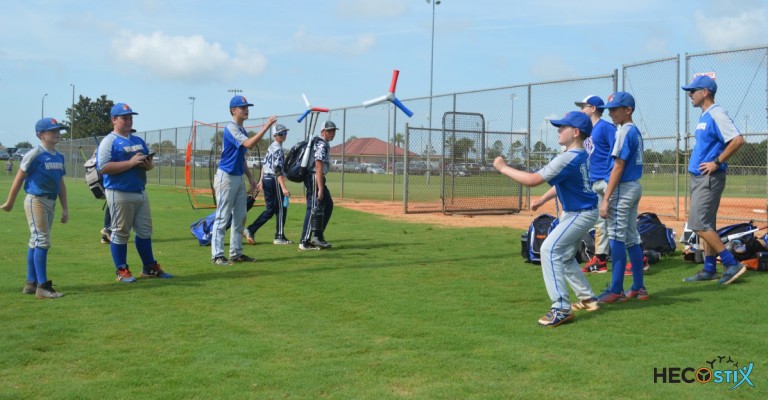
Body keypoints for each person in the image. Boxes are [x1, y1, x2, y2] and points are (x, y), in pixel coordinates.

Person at [494, 111, 599, 327]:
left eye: (563, 127)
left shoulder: (568, 157)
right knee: (566, 256)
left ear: (576, 132)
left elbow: (533, 179)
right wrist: (542, 200)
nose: (559, 131)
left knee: (549, 250)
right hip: (582, 211)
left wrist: (503, 168)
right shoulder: (579, 156)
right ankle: (588, 298)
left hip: (579, 213)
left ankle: (560, 307)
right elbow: (561, 184)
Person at [681, 75, 747, 285]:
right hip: (700, 177)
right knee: (706, 224)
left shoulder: (717, 113)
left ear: (705, 92)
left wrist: (716, 162)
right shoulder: (705, 115)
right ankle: (709, 268)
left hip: (709, 177)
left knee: (698, 224)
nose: (690, 94)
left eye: (693, 91)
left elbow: (737, 140)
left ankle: (731, 264)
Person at [97, 103, 171, 282]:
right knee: (121, 232)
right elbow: (103, 167)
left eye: (130, 117)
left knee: (145, 231)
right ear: (114, 120)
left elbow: (149, 163)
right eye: (124, 117)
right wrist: (130, 163)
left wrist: (148, 165)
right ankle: (121, 270)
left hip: (139, 190)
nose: (129, 120)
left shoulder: (137, 140)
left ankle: (149, 267)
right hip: (119, 191)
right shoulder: (109, 141)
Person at [1, 118, 69, 299]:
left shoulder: (59, 156)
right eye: (52, 130)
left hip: (51, 201)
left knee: (36, 241)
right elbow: (19, 178)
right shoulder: (34, 154)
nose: (57, 133)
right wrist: (9, 203)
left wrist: (65, 208)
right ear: (41, 135)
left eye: (58, 130)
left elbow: (60, 183)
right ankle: (42, 287)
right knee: (42, 241)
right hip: (36, 200)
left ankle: (31, 283)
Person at [210, 95, 276, 265]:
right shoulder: (231, 128)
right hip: (226, 177)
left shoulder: (241, 130)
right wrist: (267, 126)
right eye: (242, 107)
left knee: (240, 217)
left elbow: (241, 158)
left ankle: (236, 253)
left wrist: (250, 178)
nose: (246, 109)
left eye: (247, 106)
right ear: (233, 110)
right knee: (223, 217)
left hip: (237, 177)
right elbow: (249, 145)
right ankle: (217, 255)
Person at [595, 92, 647, 303]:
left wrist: (606, 198)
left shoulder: (624, 131)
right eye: (609, 109)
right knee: (631, 238)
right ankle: (638, 287)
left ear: (628, 110)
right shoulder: (634, 131)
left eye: (615, 109)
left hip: (622, 189)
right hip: (633, 186)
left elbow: (618, 166)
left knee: (616, 238)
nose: (611, 113)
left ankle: (616, 290)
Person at [575, 95, 616, 274]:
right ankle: (600, 260)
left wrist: (610, 177)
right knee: (600, 223)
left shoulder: (606, 128)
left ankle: (640, 257)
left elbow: (617, 153)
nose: (581, 110)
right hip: (593, 181)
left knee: (617, 221)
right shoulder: (586, 130)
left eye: (583, 107)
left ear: (593, 108)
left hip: (607, 181)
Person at [245, 123, 292, 245]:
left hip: (267, 178)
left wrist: (261, 180)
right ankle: (279, 236)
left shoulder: (271, 147)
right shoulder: (278, 150)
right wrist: (283, 187)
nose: (284, 135)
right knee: (282, 207)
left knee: (271, 209)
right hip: (273, 179)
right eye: (281, 133)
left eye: (285, 133)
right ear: (275, 135)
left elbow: (264, 166)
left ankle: (251, 229)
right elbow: (277, 170)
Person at [299, 121, 337, 251]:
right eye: (329, 130)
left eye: (333, 131)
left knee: (328, 204)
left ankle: (317, 236)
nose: (332, 133)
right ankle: (304, 241)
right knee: (313, 208)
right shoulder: (321, 144)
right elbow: (318, 165)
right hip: (315, 177)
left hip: (316, 178)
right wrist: (320, 188)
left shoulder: (323, 143)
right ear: (323, 132)